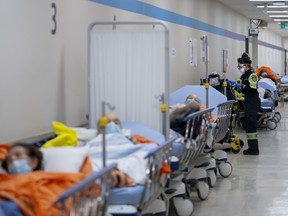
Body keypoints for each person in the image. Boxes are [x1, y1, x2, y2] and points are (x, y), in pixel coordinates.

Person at [228, 52, 260, 155]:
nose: (239, 67)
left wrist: (241, 86)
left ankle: (254, 149)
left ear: (246, 65)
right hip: (248, 101)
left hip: (253, 101)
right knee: (248, 125)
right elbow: (243, 90)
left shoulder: (252, 75)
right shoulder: (244, 75)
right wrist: (235, 86)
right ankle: (252, 148)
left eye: (240, 66)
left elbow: (253, 88)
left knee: (251, 125)